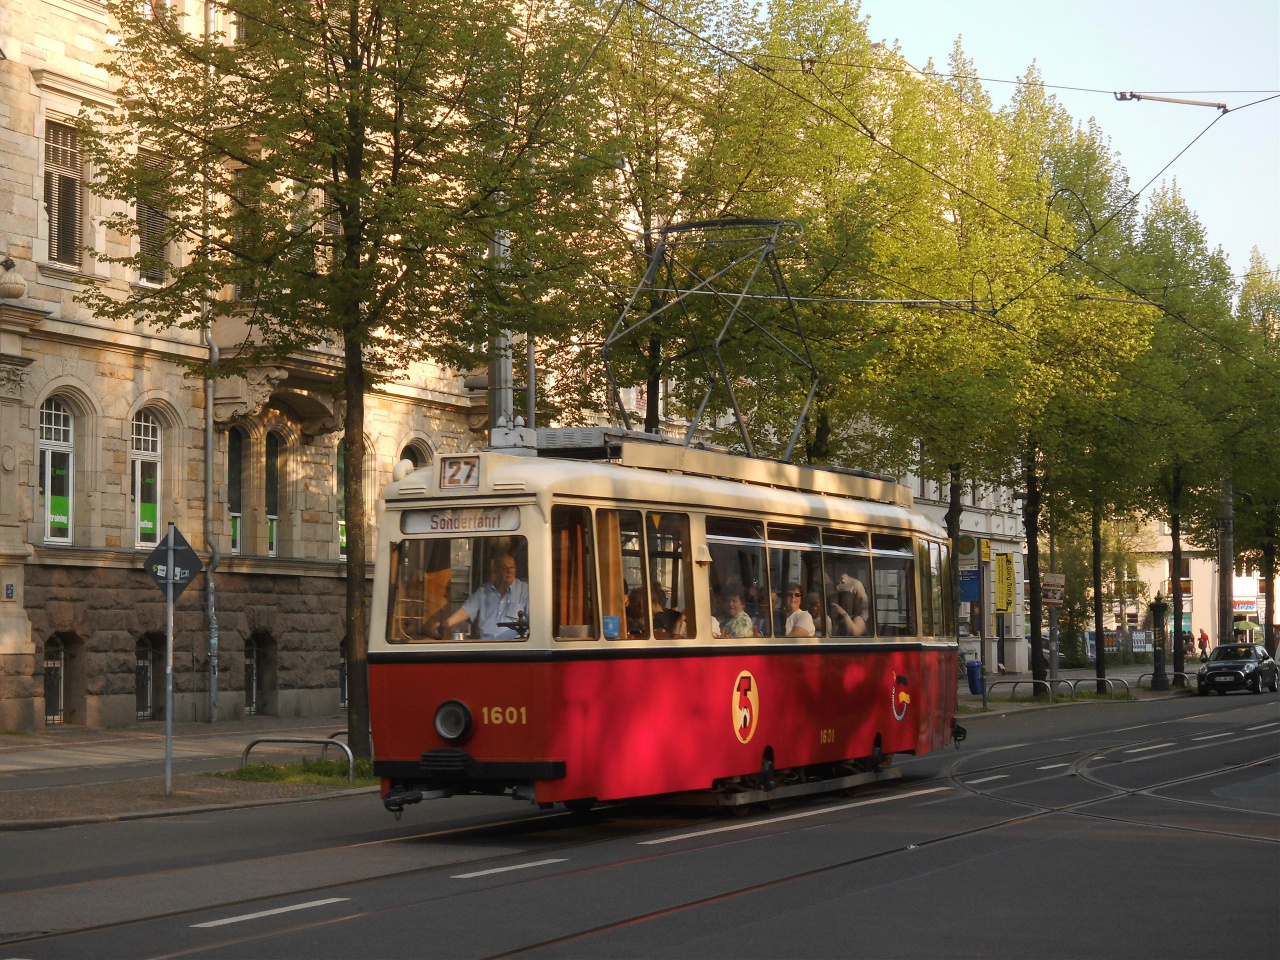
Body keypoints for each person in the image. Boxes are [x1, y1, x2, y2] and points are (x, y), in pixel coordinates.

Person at [435, 552, 528, 640]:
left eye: (512, 568)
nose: (509, 571)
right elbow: (466, 610)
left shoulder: (525, 591)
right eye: (504, 568)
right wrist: (444, 625)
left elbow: (536, 621)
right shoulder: (484, 591)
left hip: (514, 648)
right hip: (486, 646)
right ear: (495, 570)